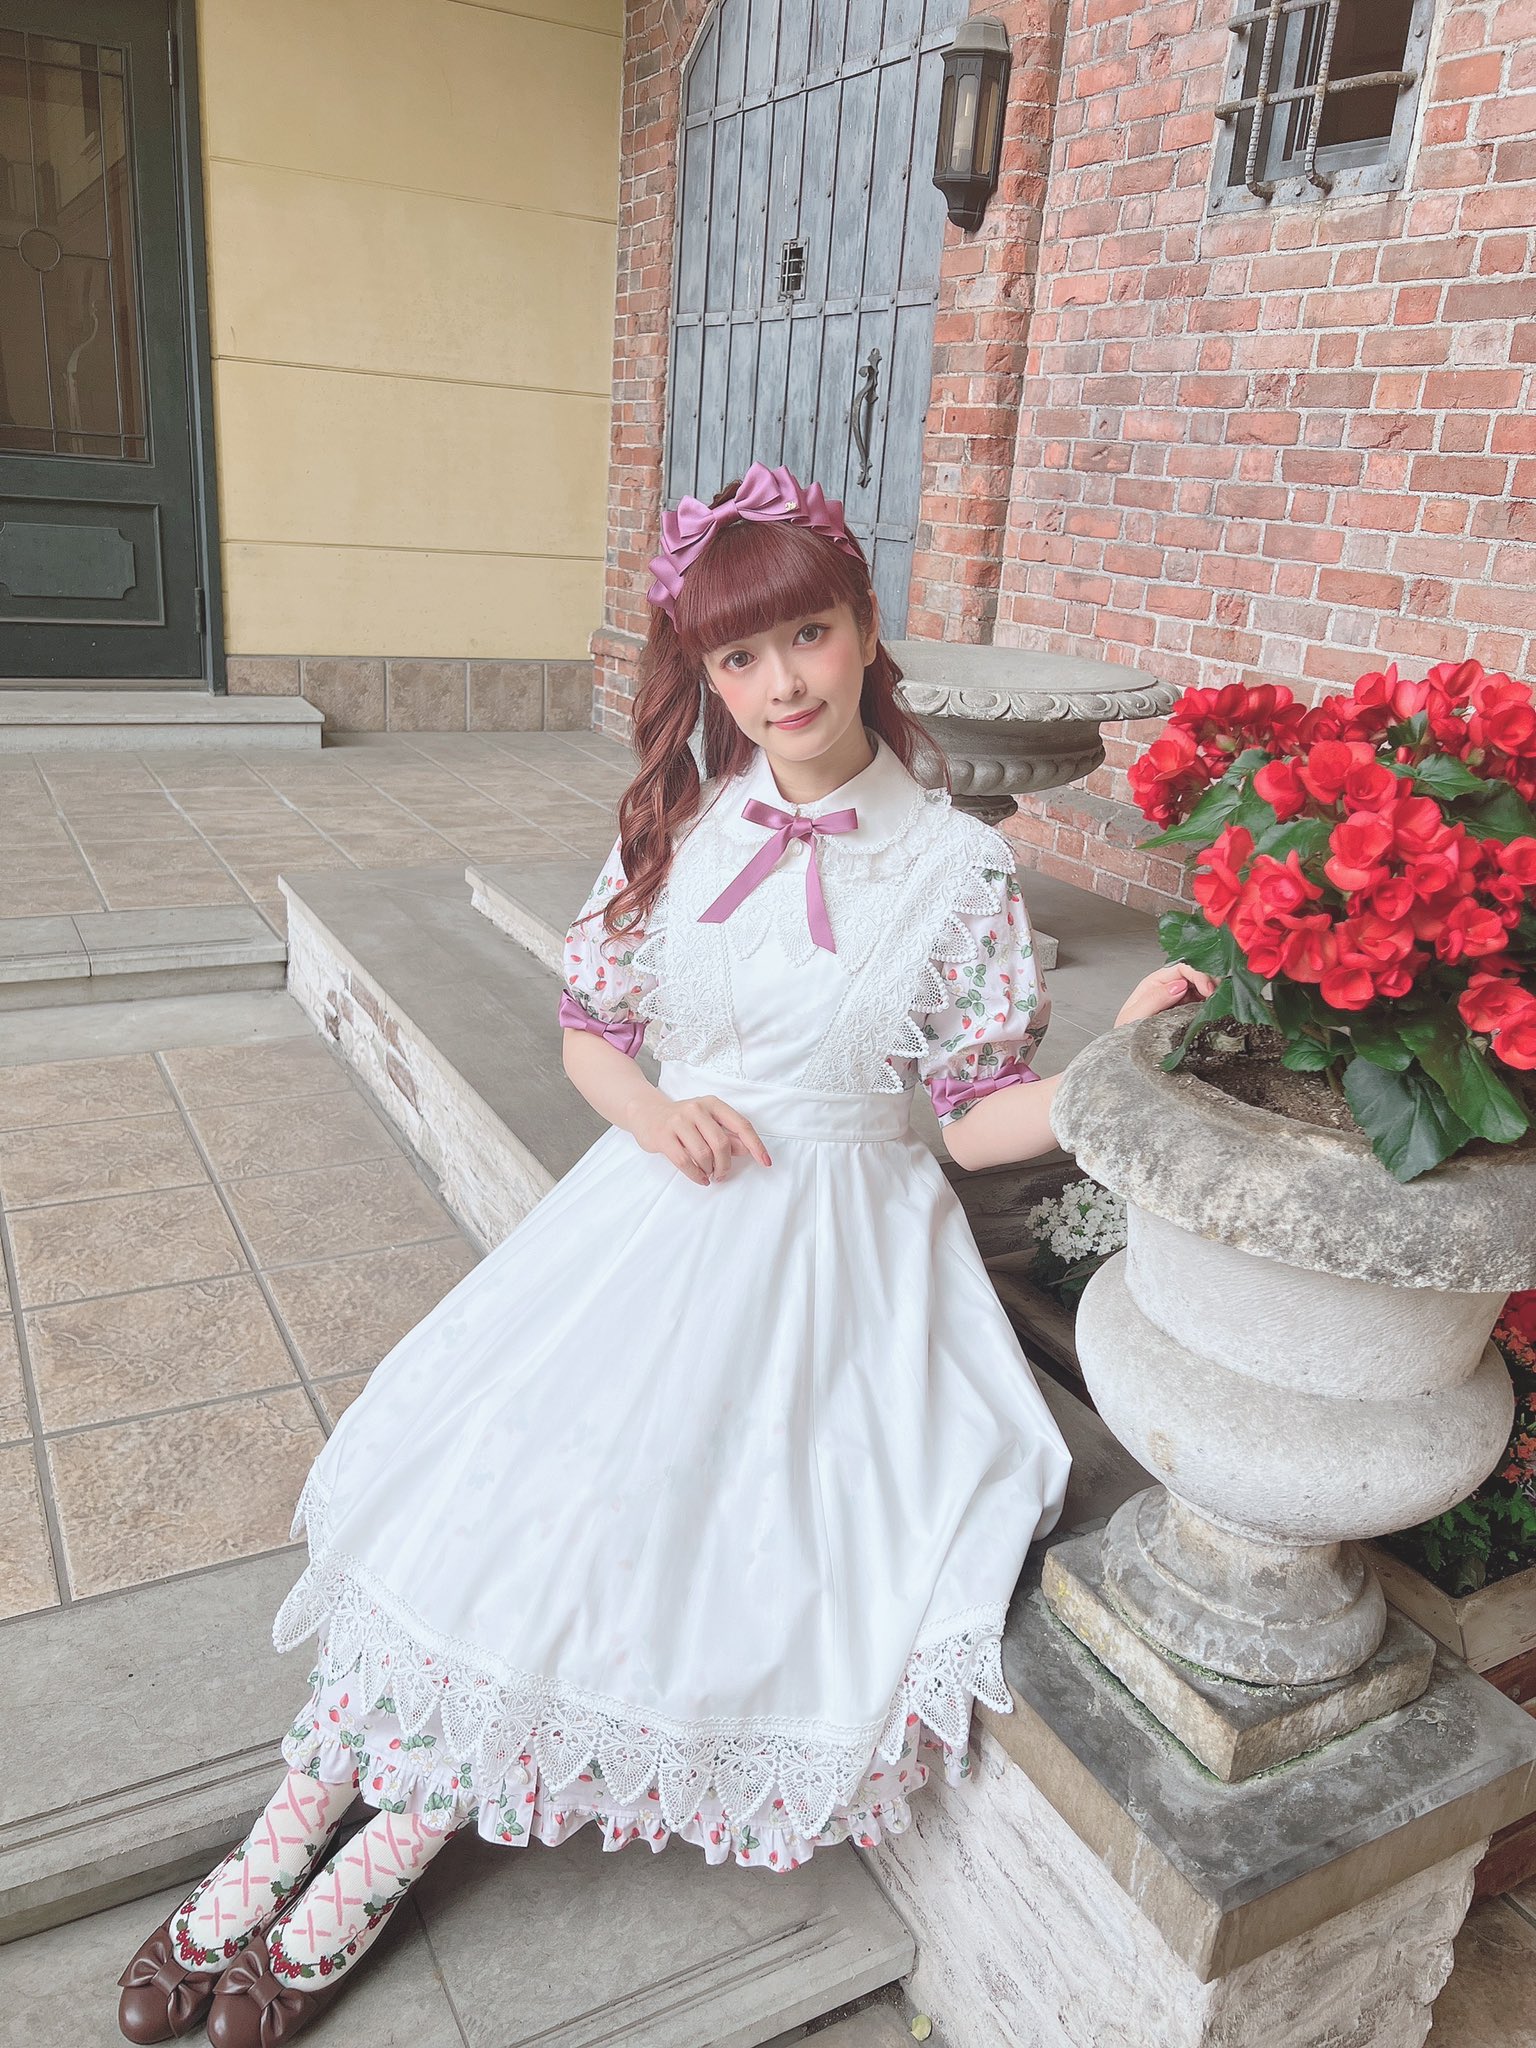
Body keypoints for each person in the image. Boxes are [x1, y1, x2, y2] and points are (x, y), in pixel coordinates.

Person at [116, 465, 1211, 2045]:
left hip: (831, 1266)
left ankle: (370, 1869)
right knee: (487, 1504)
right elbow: (590, 1034)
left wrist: (1114, 1064)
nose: (781, 685)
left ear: (867, 627)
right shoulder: (688, 822)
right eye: (738, 658)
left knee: (589, 1547)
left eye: (807, 637)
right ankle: (279, 1841)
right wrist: (656, 1113)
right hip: (651, 1226)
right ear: (707, 673)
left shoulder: (958, 869)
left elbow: (974, 1121)